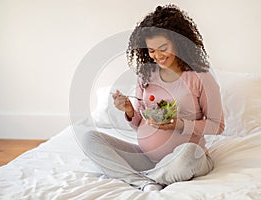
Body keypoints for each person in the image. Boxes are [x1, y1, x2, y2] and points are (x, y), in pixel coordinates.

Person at [78, 4, 224, 192]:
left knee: (189, 154)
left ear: (179, 43)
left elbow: (218, 125)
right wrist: (130, 111)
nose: (157, 56)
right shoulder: (146, 75)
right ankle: (146, 182)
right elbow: (140, 123)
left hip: (185, 156)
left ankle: (141, 178)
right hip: (146, 157)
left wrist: (179, 124)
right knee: (90, 139)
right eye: (151, 50)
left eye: (163, 48)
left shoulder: (201, 77)